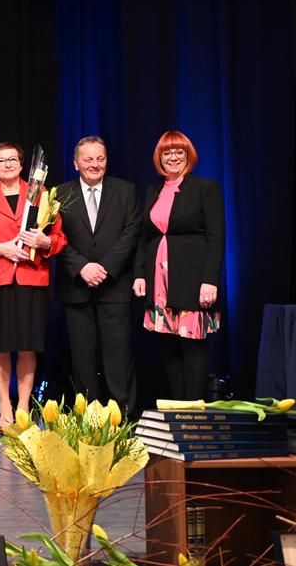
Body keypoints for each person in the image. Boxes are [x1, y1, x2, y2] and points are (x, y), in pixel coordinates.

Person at [133, 131, 224, 401]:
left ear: (188, 155)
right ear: (159, 157)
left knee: (192, 343)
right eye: (167, 152)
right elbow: (145, 237)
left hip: (192, 278)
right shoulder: (154, 191)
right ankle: (178, 411)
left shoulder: (205, 188)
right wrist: (140, 274)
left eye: (179, 152)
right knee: (170, 344)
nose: (173, 157)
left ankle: (193, 411)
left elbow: (216, 237)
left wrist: (210, 280)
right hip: (160, 280)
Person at [0, 142, 66, 429]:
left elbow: (59, 237)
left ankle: (22, 407)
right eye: (1, 160)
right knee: (1, 346)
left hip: (32, 277)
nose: (8, 164)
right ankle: (4, 405)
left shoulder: (41, 194)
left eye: (13, 159)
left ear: (22, 164)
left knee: (28, 346)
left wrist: (46, 242)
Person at [55, 137, 141, 415]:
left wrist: (103, 267)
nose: (95, 164)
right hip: (75, 286)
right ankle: (88, 419)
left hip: (114, 285)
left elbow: (132, 232)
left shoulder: (126, 190)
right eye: (88, 159)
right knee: (82, 359)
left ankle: (122, 419)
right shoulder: (59, 193)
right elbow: (54, 237)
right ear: (76, 163)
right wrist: (82, 266)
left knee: (119, 356)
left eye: (100, 158)